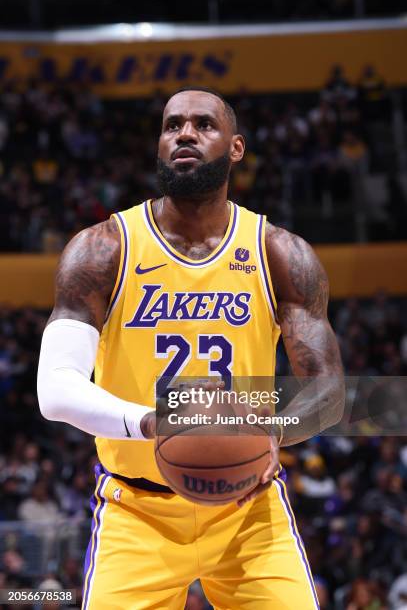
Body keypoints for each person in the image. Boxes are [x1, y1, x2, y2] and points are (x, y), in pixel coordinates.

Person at [37, 87, 344, 609]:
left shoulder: (279, 253)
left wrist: (268, 431)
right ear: (159, 143)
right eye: (172, 124)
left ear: (237, 147)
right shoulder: (103, 248)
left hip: (250, 511)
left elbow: (329, 392)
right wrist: (155, 422)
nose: (184, 133)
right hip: (137, 511)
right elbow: (55, 389)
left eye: (204, 124)